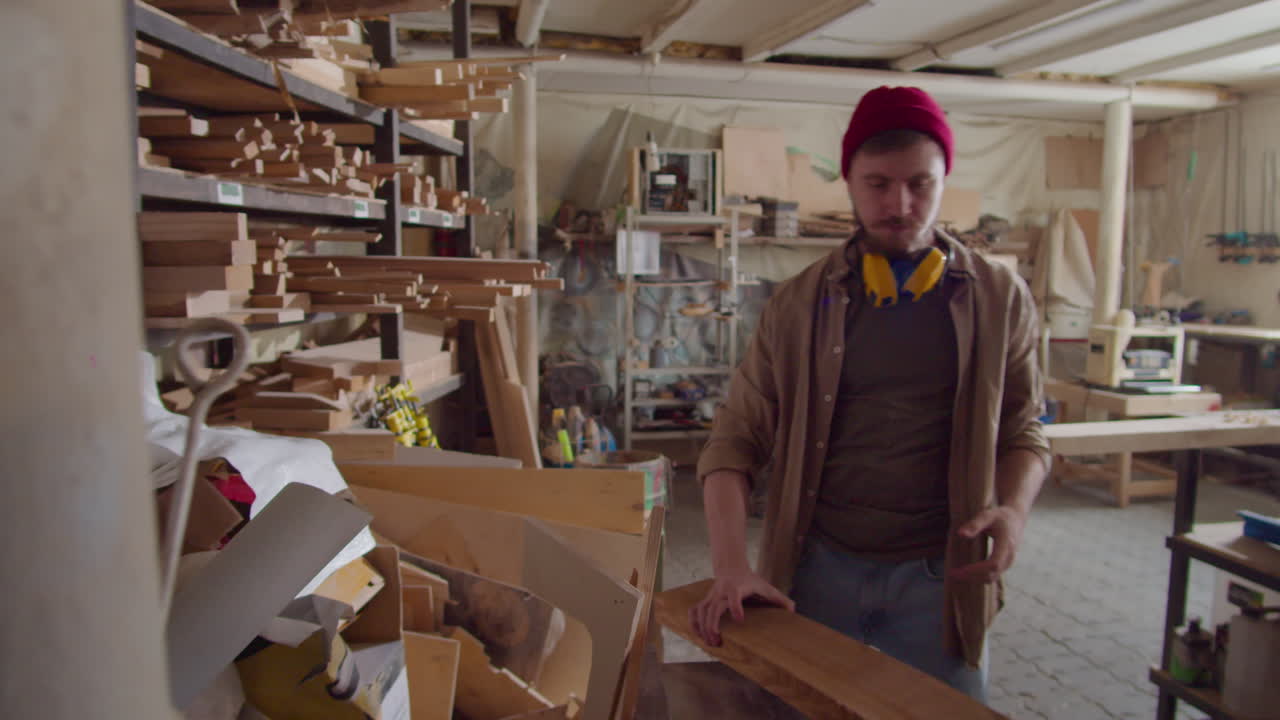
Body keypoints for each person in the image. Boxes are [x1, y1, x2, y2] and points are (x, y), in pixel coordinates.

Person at [688, 85, 1050, 704]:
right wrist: (730, 568)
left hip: (943, 578)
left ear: (945, 180)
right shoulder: (797, 305)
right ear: (849, 181)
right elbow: (733, 441)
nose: (900, 203)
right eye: (877, 183)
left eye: (920, 183)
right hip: (815, 571)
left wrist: (1014, 509)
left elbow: (1023, 430)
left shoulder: (1000, 298)